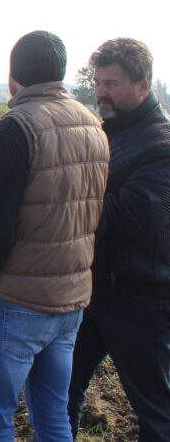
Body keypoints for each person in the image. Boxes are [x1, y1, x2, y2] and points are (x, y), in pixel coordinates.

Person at [0, 30, 108, 441]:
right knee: (53, 417)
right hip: (71, 302)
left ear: (13, 76)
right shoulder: (93, 124)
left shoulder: (18, 125)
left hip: (17, 302)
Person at [68, 38, 170, 439]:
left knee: (156, 410)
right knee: (60, 390)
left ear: (143, 86)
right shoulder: (109, 134)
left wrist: (70, 194)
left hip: (142, 299)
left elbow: (134, 216)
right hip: (95, 292)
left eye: (112, 83)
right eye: (98, 82)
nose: (101, 91)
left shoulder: (160, 146)